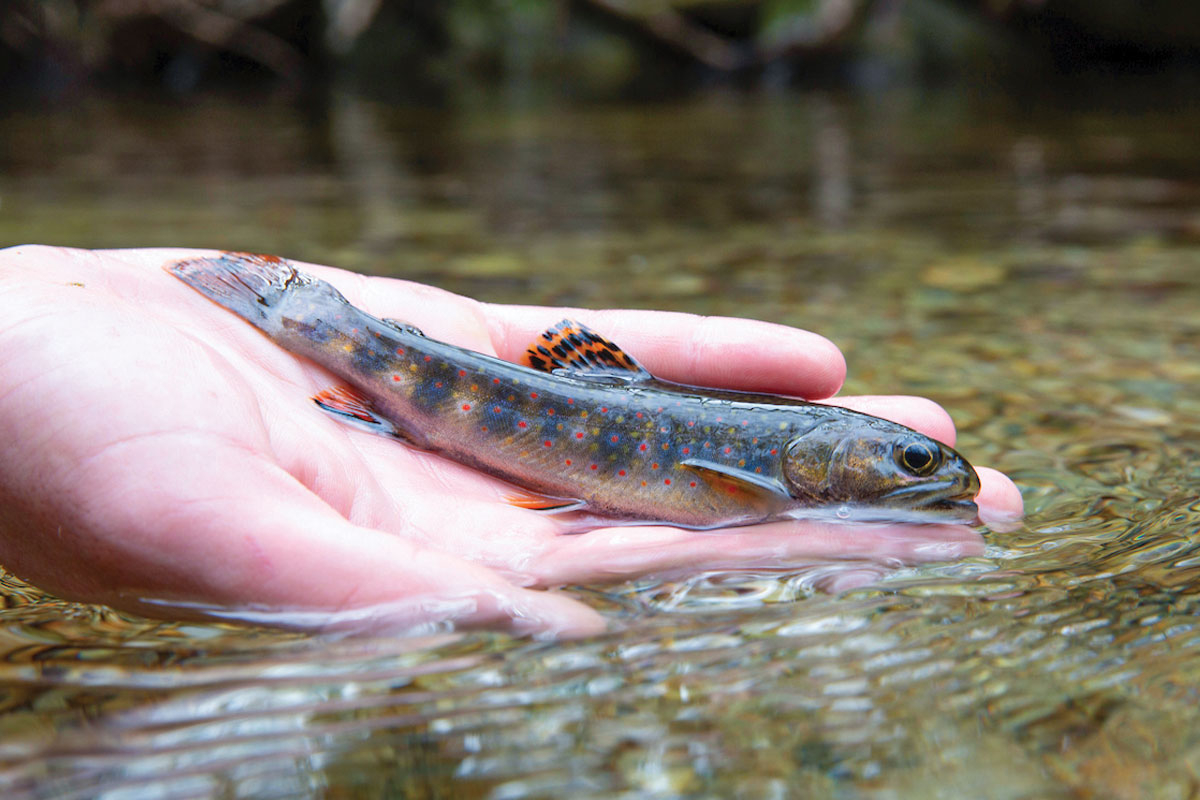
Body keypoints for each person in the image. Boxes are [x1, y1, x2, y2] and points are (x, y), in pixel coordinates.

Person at [0, 246, 1022, 638]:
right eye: (910, 462)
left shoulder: (782, 472)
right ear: (820, 458)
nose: (926, 473)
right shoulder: (763, 477)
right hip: (454, 388)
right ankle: (307, 320)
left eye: (915, 463)